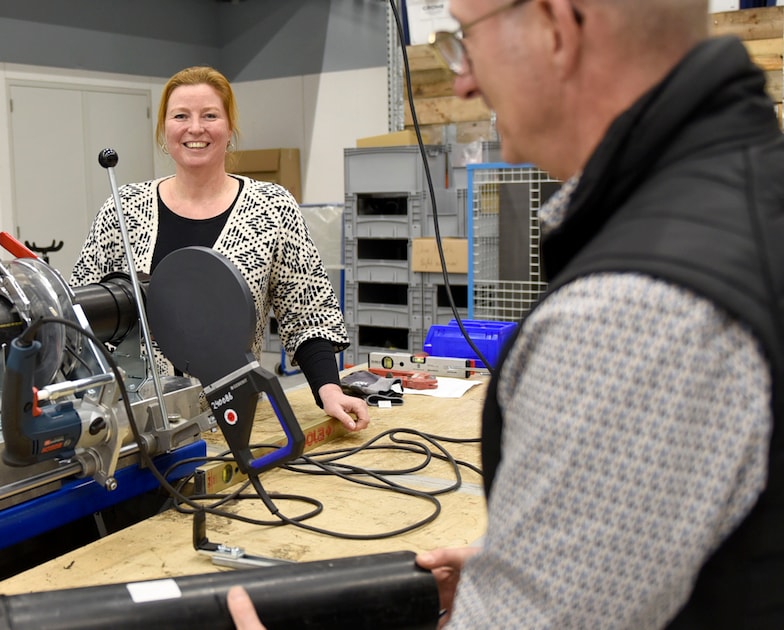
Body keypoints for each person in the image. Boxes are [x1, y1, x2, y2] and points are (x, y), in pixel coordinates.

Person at [230, 0, 782, 627]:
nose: (464, 81)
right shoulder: (746, 194)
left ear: (557, 28)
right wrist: (529, 569)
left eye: (468, 40)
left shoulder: (632, 307)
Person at [70, 66, 370, 433]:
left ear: (229, 129)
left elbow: (307, 312)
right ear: (165, 129)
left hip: (235, 420)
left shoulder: (272, 207)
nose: (195, 128)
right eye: (181, 116)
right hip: (136, 425)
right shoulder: (123, 208)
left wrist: (328, 389)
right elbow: (79, 316)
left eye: (209, 115)